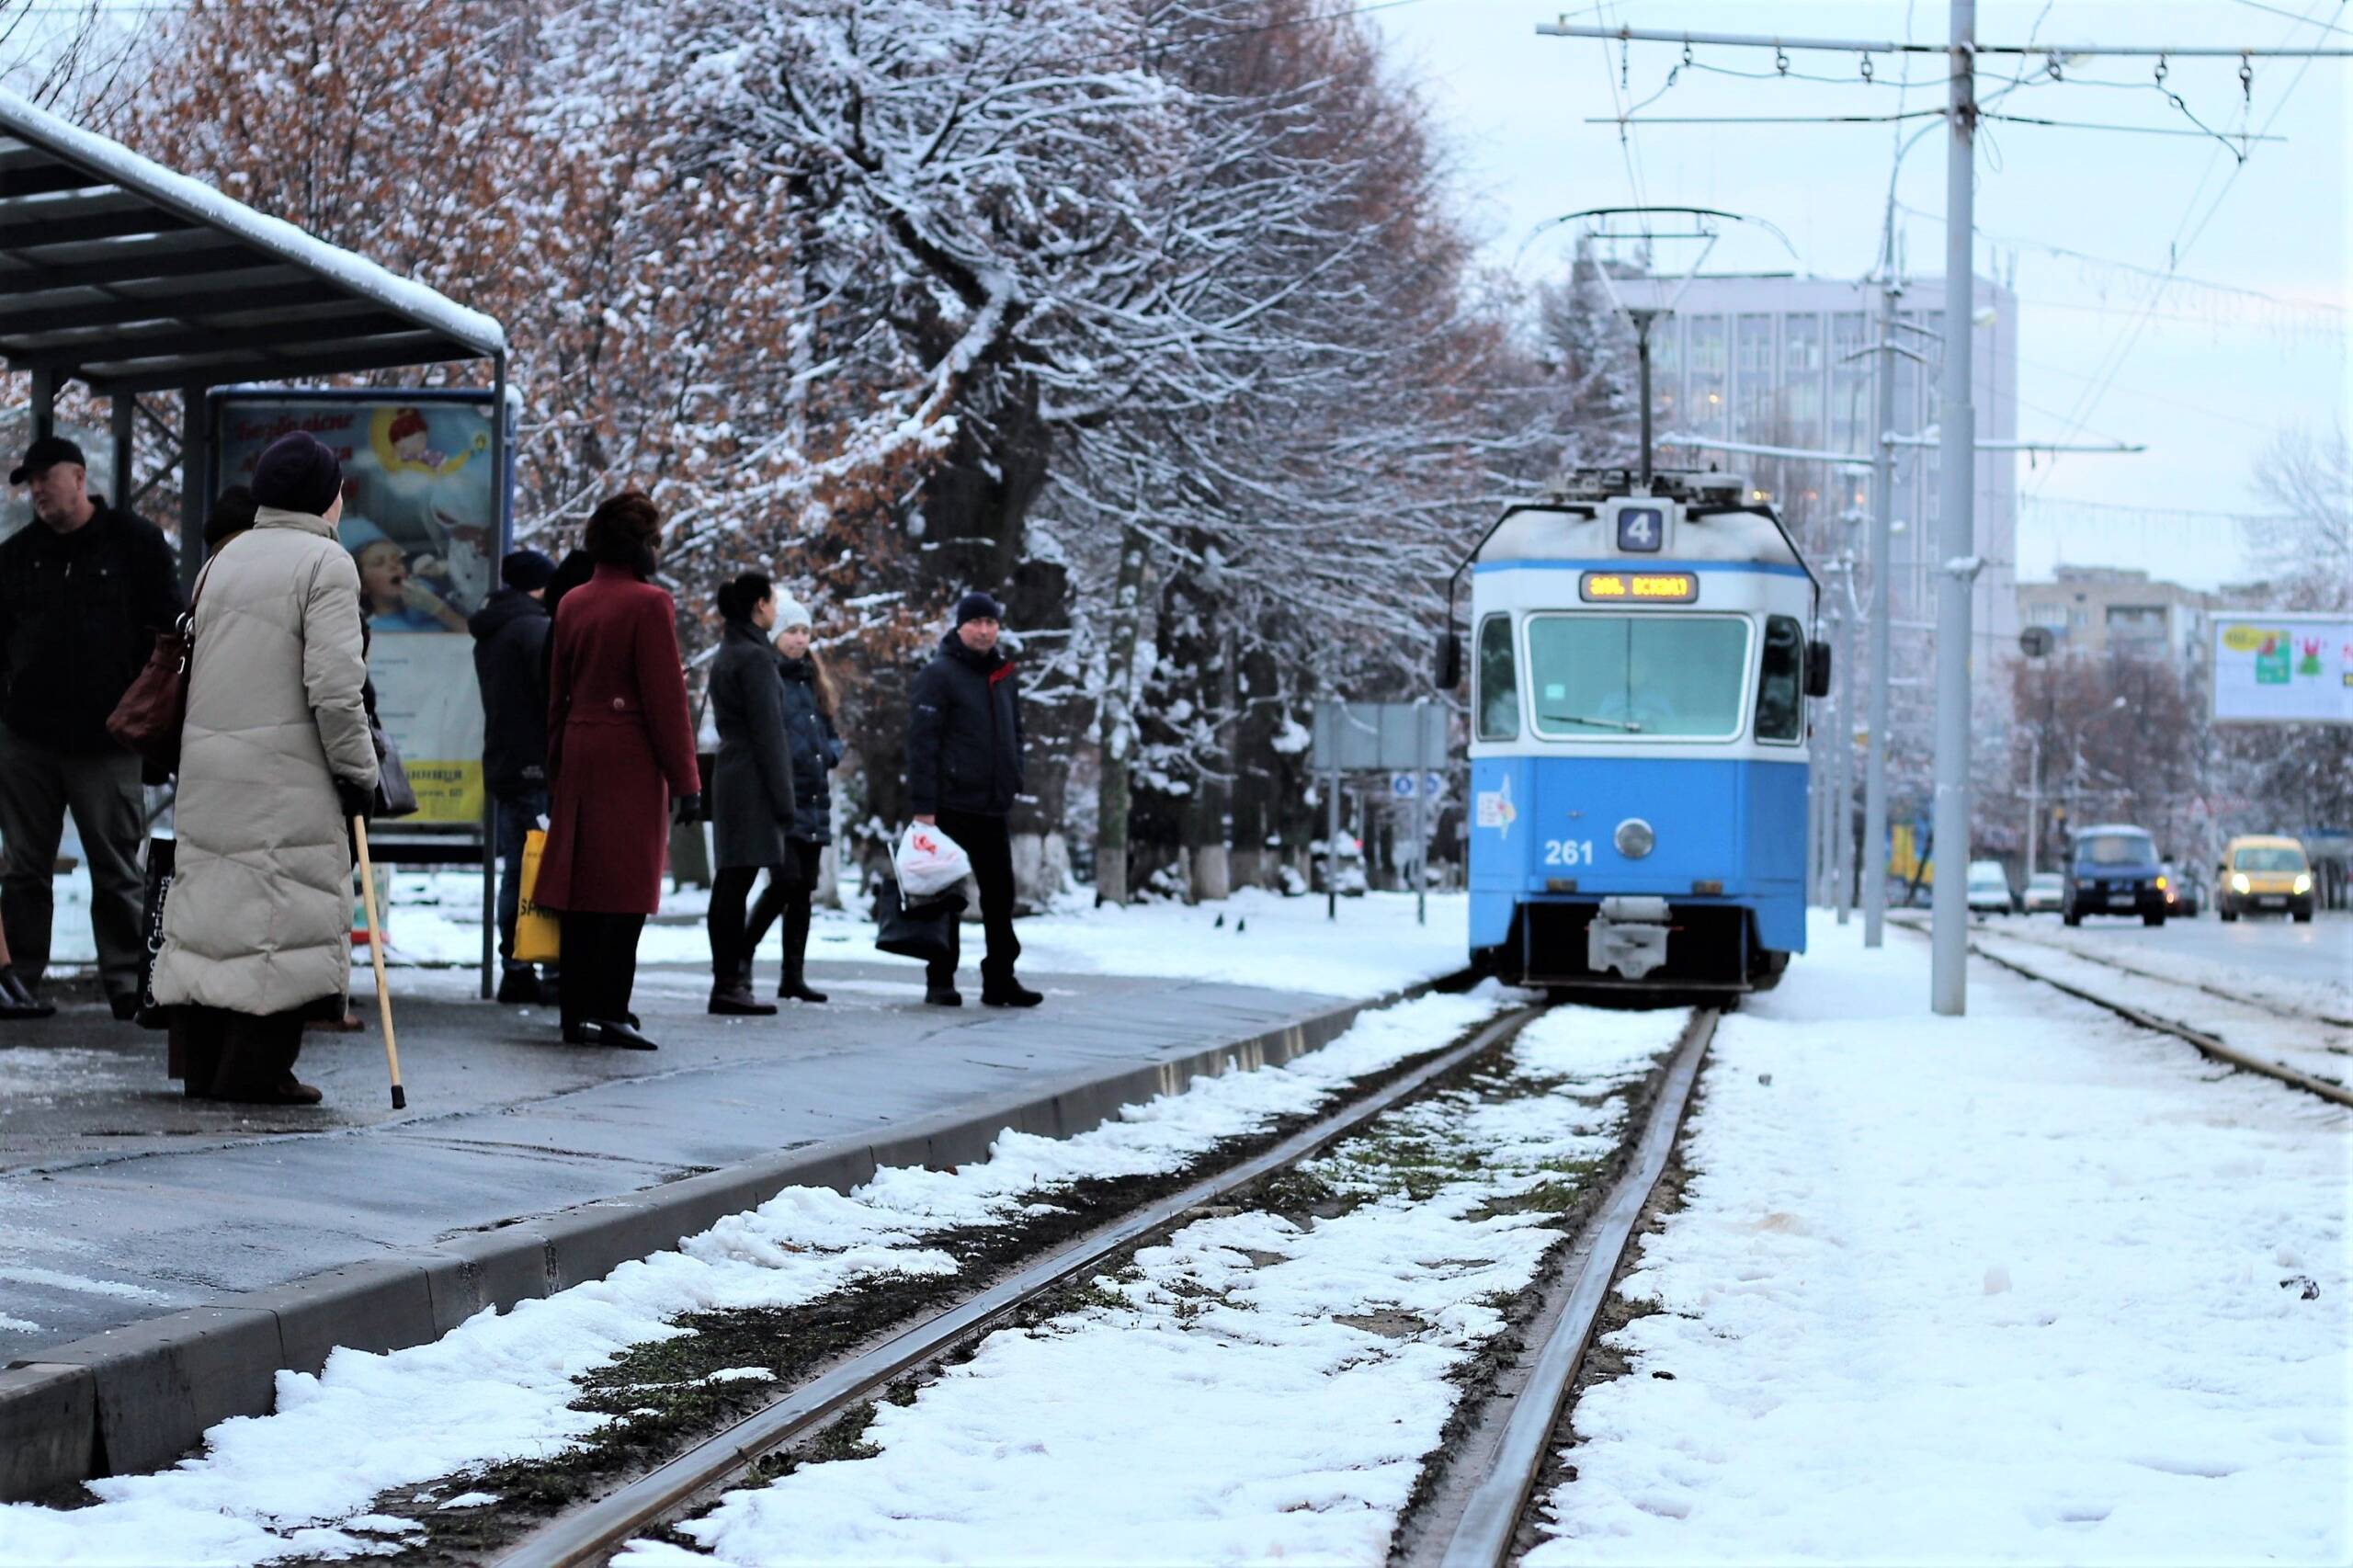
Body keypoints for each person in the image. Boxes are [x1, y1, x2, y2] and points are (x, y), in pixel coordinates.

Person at [151, 432, 376, 1104]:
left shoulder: (223, 560)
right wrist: (358, 772)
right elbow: (336, 690)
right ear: (324, 497)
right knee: (282, 916)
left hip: (212, 767)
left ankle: (204, 1068)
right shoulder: (325, 565)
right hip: (289, 774)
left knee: (214, 914)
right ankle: (257, 1072)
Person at [0, 434, 184, 1017]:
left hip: (108, 737)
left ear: (79, 478)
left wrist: (148, 713)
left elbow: (168, 629)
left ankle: (129, 985)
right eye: (29, 483)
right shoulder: (17, 554)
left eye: (44, 479)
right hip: (27, 735)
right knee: (25, 868)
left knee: (115, 867)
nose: (36, 492)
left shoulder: (135, 544)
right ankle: (20, 980)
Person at [535, 492, 698, 1050]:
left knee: (580, 887)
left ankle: (574, 1008)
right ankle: (611, 1007)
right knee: (626, 890)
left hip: (579, 749)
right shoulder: (650, 604)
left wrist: (558, 761)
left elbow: (555, 694)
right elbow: (666, 701)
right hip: (629, 754)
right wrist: (688, 781)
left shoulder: (573, 601)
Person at [904, 590, 1040, 1008]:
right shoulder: (939, 674)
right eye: (976, 622)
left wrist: (1014, 774)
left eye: (991, 622)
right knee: (946, 894)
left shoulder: (1003, 675)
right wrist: (924, 808)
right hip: (949, 806)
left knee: (1000, 896)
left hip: (992, 804)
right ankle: (940, 979)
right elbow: (921, 743)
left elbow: (1014, 731)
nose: (984, 630)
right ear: (959, 626)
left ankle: (1000, 978)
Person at [470, 548, 558, 1005]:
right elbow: (554, 694)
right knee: (535, 870)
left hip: (505, 761)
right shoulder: (534, 629)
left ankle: (515, 966)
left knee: (516, 868)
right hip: (536, 764)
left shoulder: (495, 628)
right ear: (540, 585)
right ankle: (524, 967)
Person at [703, 574, 793, 1016]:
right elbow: (769, 734)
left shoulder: (733, 649)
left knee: (732, 881)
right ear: (760, 605)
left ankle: (730, 980)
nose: (777, 608)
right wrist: (784, 798)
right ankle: (728, 983)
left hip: (735, 774)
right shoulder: (755, 657)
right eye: (774, 600)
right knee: (735, 883)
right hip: (751, 779)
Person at [770, 594, 844, 1003]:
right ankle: (741, 955)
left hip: (815, 797)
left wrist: (830, 753)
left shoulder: (813, 679)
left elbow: (831, 732)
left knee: (803, 890)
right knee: (784, 882)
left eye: (804, 632)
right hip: (784, 796)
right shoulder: (771, 678)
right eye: (792, 631)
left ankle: (792, 974)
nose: (800, 639)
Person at [345, 517, 466, 632]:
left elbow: (479, 643)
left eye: (397, 559)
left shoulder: (431, 612)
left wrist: (441, 611)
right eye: (379, 563)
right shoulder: (373, 633)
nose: (393, 566)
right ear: (364, 585)